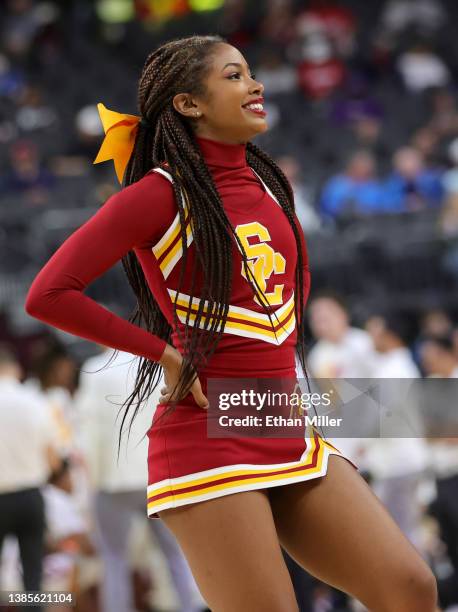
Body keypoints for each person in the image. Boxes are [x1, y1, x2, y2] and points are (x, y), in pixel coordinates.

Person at [24, 34, 438, 611]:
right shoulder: (156, 196)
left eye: (250, 74)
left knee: (410, 586)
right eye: (235, 76)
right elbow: (48, 294)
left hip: (281, 421)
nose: (256, 85)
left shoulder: (272, 183)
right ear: (189, 104)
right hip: (203, 437)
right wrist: (166, 354)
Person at [75, 345, 204, 612]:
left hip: (113, 480)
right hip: (155, 475)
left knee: (113, 559)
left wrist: (94, 482)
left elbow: (88, 433)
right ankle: (192, 606)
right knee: (176, 554)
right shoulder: (157, 364)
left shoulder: (94, 371)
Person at [0, 344, 62, 609]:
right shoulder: (35, 400)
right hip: (30, 495)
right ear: (16, 369)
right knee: (33, 575)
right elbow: (53, 457)